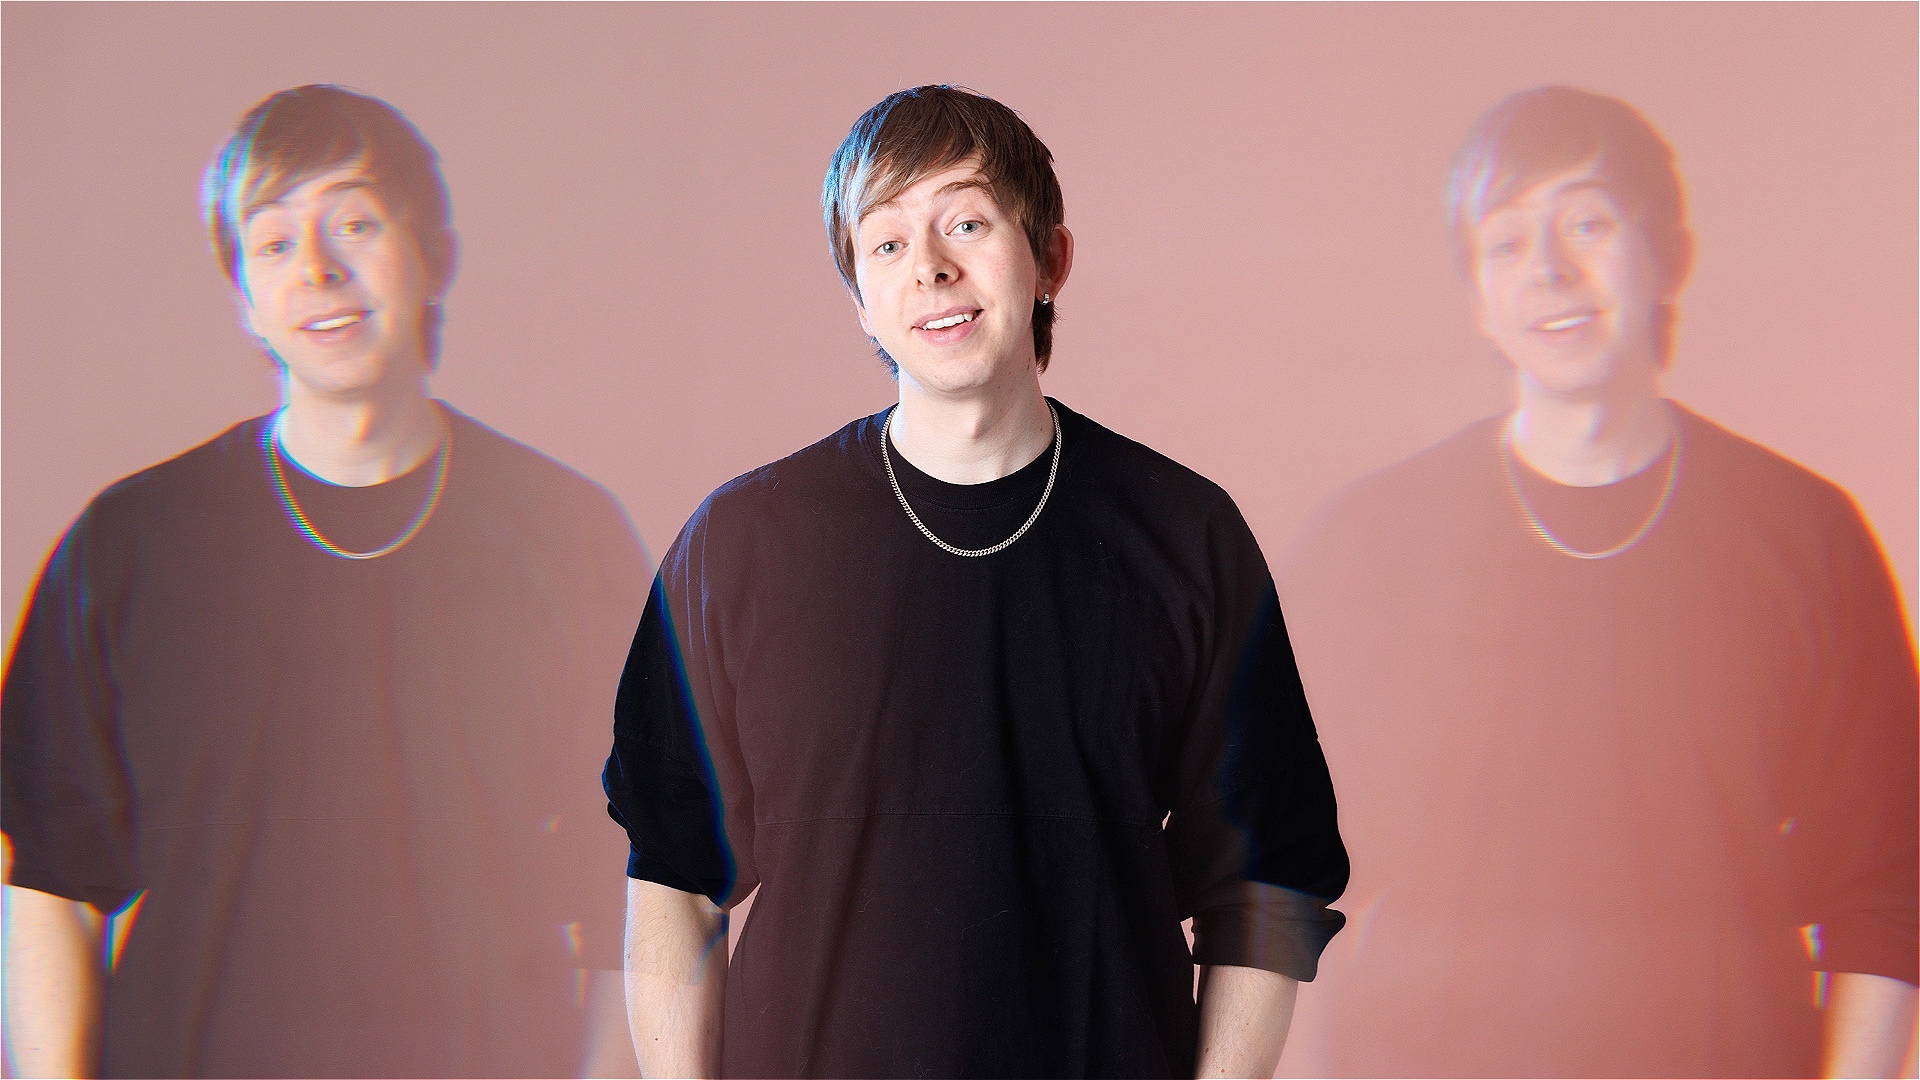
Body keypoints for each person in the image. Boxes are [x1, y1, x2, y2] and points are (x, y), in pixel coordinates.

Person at [602, 85, 1349, 1078]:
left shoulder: (1184, 535)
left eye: (966, 223)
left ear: (1051, 260)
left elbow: (1263, 882)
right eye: (887, 243)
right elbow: (673, 878)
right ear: (860, 299)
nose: (931, 268)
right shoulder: (740, 544)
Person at [1, 85, 645, 1078]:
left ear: (433, 254)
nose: (315, 269)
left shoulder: (566, 536)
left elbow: (635, 887)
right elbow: (52, 878)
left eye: (355, 223)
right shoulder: (128, 545)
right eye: (272, 243)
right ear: (243, 297)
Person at [1280, 86, 1918, 1077]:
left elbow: (1887, 888)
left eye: (1588, 223)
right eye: (1506, 241)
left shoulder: (1805, 537)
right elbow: (1281, 884)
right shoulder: (1363, 547)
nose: (1549, 270)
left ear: (1668, 255)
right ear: (1478, 296)